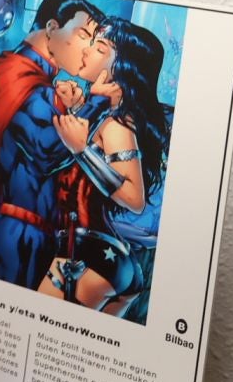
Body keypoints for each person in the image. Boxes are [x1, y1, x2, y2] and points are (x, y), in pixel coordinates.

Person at [0, 0, 115, 286]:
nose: (86, 50)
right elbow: (49, 150)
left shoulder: (23, 77)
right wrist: (96, 102)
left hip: (24, 227)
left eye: (92, 42)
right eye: (82, 35)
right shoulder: (25, 81)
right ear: (52, 28)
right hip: (20, 229)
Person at [37, 17, 172, 320]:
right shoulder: (110, 116)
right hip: (100, 256)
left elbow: (134, 198)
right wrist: (79, 109)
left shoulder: (118, 126)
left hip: (91, 257)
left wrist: (82, 150)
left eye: (99, 48)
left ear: (121, 68)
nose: (86, 51)